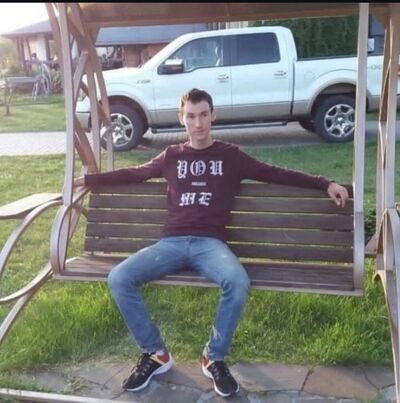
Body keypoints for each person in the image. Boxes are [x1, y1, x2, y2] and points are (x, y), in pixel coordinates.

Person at [74, 88, 348, 398]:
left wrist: (324, 183)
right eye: (191, 116)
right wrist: (90, 180)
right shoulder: (172, 156)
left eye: (203, 115)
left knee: (237, 281)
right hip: (171, 244)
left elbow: (275, 173)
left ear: (213, 115)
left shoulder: (231, 156)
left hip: (210, 245)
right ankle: (155, 353)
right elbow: (136, 173)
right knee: (119, 277)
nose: (198, 123)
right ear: (182, 118)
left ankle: (214, 356)